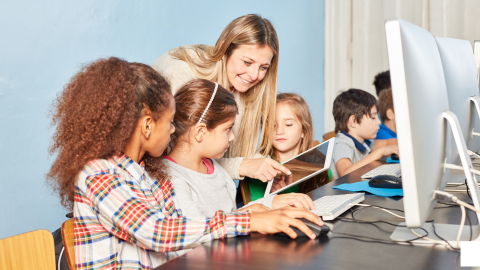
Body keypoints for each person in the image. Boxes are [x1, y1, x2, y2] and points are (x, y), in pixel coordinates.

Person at [46, 58, 323, 269]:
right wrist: (250, 220)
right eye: (169, 122)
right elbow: (158, 232)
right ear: (146, 126)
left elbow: (187, 225)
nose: (173, 130)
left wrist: (265, 211)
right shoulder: (99, 176)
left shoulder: (145, 173)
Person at [152, 14, 289, 183]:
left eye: (263, 67)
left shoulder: (247, 87)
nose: (254, 75)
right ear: (224, 48)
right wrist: (243, 166)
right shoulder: (183, 75)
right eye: (247, 62)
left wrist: (268, 169)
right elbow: (181, 159)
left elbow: (240, 151)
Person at [164, 80, 315, 218]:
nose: (232, 137)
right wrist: (255, 214)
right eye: (228, 129)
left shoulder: (213, 168)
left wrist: (274, 202)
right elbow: (199, 231)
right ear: (200, 132)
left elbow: (232, 214)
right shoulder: (173, 179)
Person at [248, 93, 331, 202]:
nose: (279, 131)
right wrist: (277, 198)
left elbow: (332, 195)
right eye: (273, 125)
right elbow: (256, 211)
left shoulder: (318, 162)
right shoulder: (259, 168)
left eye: (288, 124)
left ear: (303, 131)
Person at [330, 89, 398, 179]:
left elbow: (386, 143)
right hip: (344, 191)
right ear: (353, 121)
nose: (378, 122)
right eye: (373, 117)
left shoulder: (363, 141)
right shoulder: (342, 144)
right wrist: (379, 152)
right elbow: (345, 172)